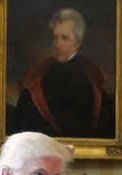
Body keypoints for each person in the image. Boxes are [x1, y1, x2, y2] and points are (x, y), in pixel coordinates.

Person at [12, 8, 115, 139]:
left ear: (78, 42)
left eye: (65, 38)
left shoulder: (91, 75)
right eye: (55, 38)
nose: (58, 44)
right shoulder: (39, 72)